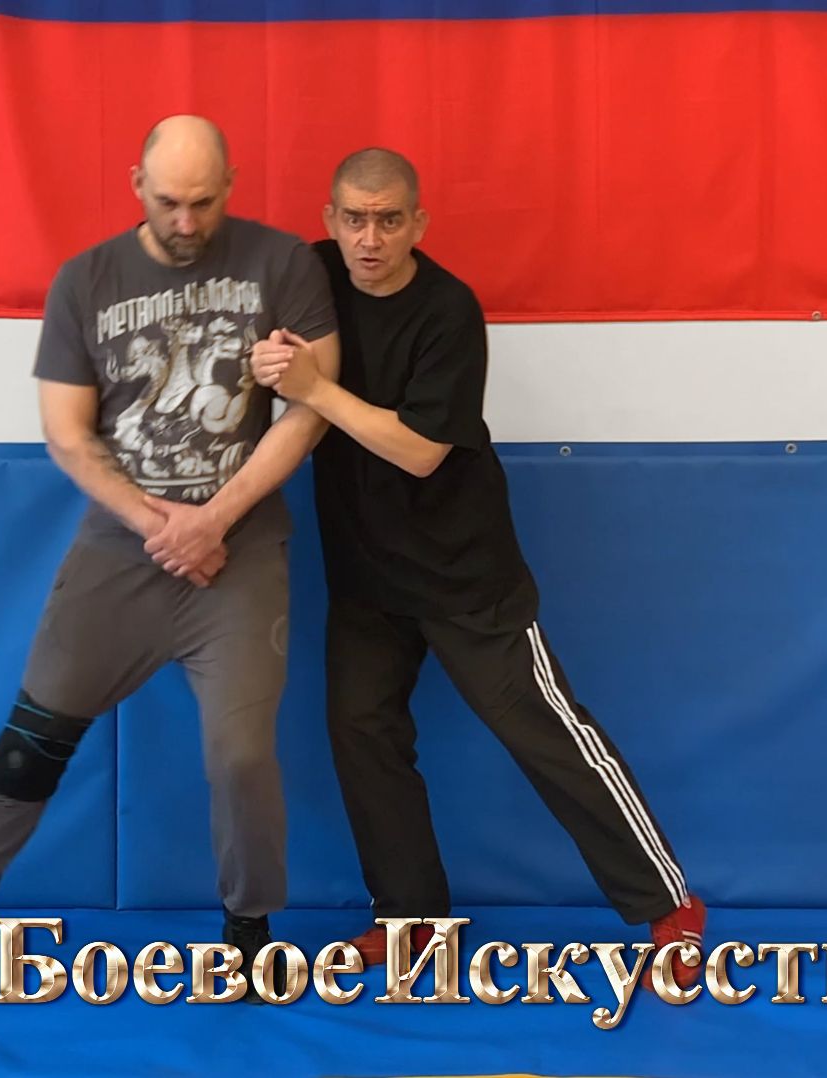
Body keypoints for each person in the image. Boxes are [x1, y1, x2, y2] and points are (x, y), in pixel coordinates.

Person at [0, 115, 339, 1001]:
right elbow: (68, 435)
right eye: (169, 201)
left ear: (231, 183)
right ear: (135, 185)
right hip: (123, 550)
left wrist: (215, 520)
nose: (186, 222)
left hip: (238, 554)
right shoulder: (87, 280)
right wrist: (163, 525)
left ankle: (249, 929)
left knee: (241, 757)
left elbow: (312, 408)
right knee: (28, 745)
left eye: (203, 202)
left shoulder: (284, 265)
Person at [249, 148, 706, 987]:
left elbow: (419, 451)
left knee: (546, 733)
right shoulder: (308, 277)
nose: (370, 238)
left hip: (463, 572)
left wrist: (311, 387)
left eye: (390, 220)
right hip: (365, 572)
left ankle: (669, 908)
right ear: (330, 221)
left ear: (418, 224)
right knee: (361, 735)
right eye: (355, 219)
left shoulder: (448, 309)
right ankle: (412, 918)